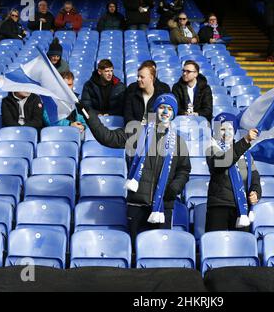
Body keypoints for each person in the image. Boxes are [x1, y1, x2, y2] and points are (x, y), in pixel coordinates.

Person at [77, 93, 191, 243]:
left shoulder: (178, 141)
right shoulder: (137, 132)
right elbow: (108, 137)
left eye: (169, 109)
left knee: (160, 252)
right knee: (136, 254)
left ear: (173, 113)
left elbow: (184, 169)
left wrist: (175, 187)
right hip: (137, 206)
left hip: (164, 207)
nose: (165, 112)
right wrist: (89, 115)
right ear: (155, 110)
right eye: (162, 107)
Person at [206, 113, 262, 232]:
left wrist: (256, 192)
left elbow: (254, 176)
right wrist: (245, 140)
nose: (226, 132)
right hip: (219, 206)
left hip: (241, 206)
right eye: (222, 129)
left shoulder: (245, 151)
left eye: (230, 128)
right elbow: (222, 162)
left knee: (241, 247)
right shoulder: (212, 147)